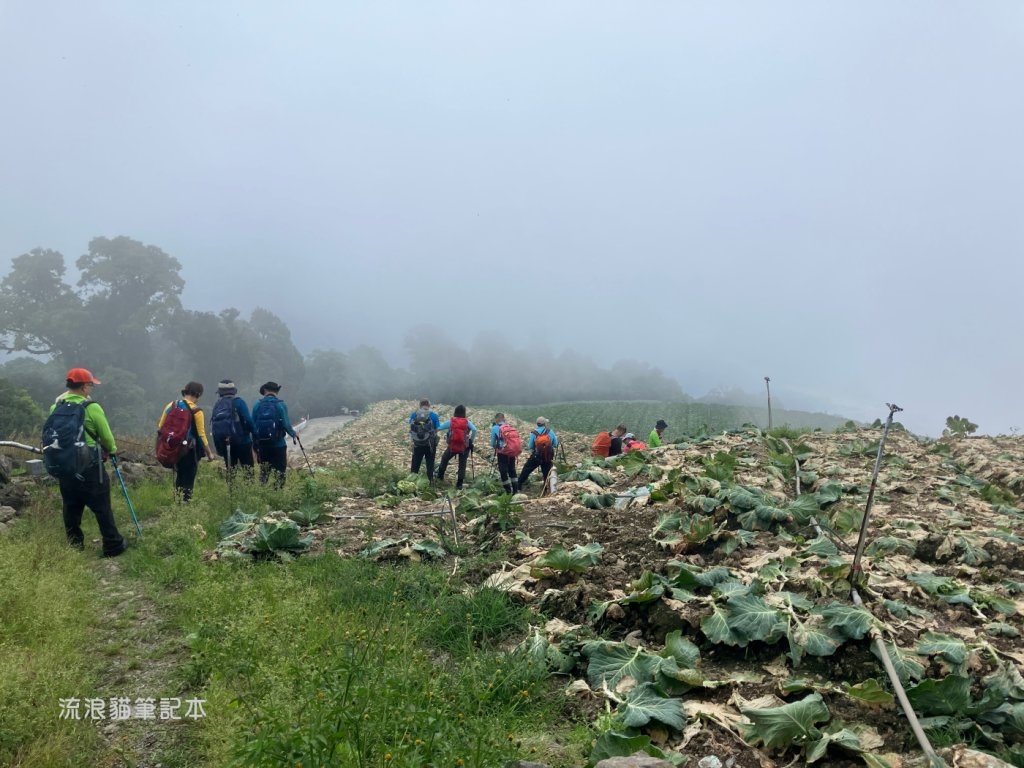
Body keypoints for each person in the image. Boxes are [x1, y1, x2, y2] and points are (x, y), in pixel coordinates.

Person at [48, 368, 127, 556]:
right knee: (101, 507)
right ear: (84, 387)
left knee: (71, 507)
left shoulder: (55, 407)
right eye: (91, 385)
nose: (91, 388)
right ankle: (113, 544)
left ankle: (75, 546)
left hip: (65, 466)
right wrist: (113, 451)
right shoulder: (91, 407)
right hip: (90, 467)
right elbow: (106, 438)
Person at [158, 382, 215, 502]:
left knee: (180, 474)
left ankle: (177, 502)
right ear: (198, 394)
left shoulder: (171, 405)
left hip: (174, 448)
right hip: (189, 449)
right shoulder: (196, 411)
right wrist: (209, 453)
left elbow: (160, 427)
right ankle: (186, 503)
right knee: (189, 476)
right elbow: (201, 435)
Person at [252, 381, 298, 488]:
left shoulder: (257, 405)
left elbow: (253, 426)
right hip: (278, 445)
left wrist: (255, 445)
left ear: (265, 391)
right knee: (280, 472)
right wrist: (294, 434)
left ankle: (263, 492)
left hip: (263, 445)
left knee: (264, 472)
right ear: (276, 391)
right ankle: (278, 493)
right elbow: (286, 424)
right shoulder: (281, 404)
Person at [210, 379, 257, 479]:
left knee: (231, 471)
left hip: (226, 443)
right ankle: (249, 491)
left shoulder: (217, 405)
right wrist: (255, 434)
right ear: (233, 391)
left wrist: (219, 448)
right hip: (243, 441)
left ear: (220, 392)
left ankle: (232, 492)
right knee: (248, 470)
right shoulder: (239, 402)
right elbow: (248, 420)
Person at [436, 404, 477, 490]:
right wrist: (470, 441)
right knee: (462, 464)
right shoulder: (467, 422)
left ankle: (440, 476)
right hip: (464, 447)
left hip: (452, 446)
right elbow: (474, 430)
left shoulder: (452, 421)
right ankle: (459, 483)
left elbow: (439, 428)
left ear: (455, 412)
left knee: (444, 459)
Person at [518, 417, 559, 489]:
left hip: (537, 456)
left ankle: (519, 484)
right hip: (547, 456)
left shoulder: (534, 433)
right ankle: (546, 487)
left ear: (537, 424)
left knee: (527, 469)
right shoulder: (550, 431)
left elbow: (530, 446)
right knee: (547, 472)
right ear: (545, 424)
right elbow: (555, 444)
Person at [408, 398, 440, 481]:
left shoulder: (414, 414)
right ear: (428, 405)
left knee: (415, 462)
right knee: (430, 462)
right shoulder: (434, 415)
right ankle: (430, 480)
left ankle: (412, 480)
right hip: (430, 444)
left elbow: (411, 428)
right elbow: (436, 429)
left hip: (417, 443)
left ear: (420, 405)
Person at [490, 413, 522, 495]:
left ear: (496, 419)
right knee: (512, 469)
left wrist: (497, 448)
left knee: (503, 471)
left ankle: (508, 491)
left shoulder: (495, 428)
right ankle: (515, 490)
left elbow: (493, 443)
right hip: (512, 451)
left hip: (502, 452)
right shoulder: (510, 427)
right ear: (504, 419)